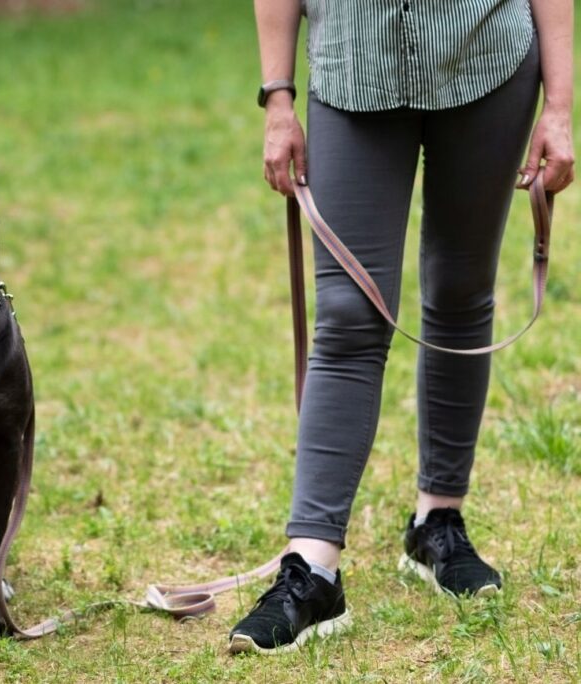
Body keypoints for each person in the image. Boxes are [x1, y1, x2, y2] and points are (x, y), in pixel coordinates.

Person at [231, 0, 575, 655]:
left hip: (488, 62)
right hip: (352, 71)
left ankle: (437, 521)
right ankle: (313, 569)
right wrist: (278, 97)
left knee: (460, 292)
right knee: (348, 315)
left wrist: (558, 105)